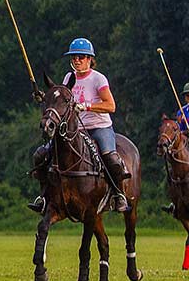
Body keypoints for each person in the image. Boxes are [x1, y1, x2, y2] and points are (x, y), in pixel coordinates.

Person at [28, 37, 130, 213]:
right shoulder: (69, 77)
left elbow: (111, 105)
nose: (77, 60)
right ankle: (44, 196)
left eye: (81, 57)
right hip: (76, 130)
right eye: (74, 57)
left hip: (99, 127)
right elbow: (61, 101)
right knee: (42, 154)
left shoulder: (98, 79)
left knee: (111, 159)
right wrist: (44, 98)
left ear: (90, 59)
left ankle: (118, 194)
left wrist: (87, 106)